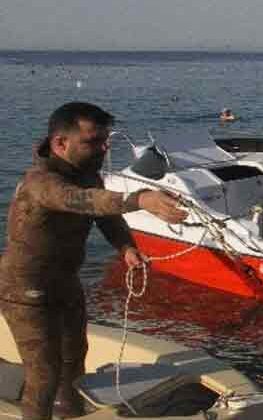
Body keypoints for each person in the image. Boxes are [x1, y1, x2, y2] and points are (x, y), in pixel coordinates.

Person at [0, 102, 189, 420]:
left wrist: (126, 248)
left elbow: (107, 217)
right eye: (92, 143)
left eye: (105, 141)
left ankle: (70, 413)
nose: (102, 149)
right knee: (43, 375)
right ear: (60, 143)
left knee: (74, 360)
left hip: (65, 283)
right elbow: (81, 201)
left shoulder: (88, 175)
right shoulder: (40, 182)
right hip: (25, 292)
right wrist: (140, 199)